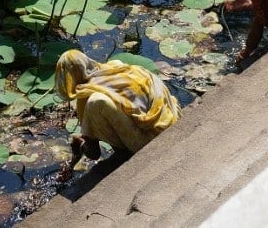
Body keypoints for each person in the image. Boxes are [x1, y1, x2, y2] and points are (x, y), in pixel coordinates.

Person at [54, 49, 181, 181]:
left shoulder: (90, 97)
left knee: (96, 103)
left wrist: (79, 147)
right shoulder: (115, 66)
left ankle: (124, 154)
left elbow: (94, 153)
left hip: (155, 144)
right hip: (173, 119)